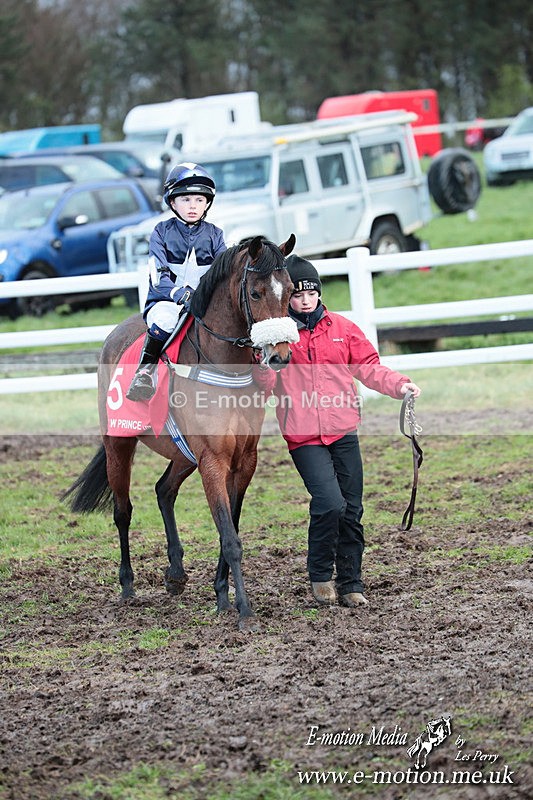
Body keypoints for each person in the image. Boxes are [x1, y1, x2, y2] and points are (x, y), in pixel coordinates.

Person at [254, 255, 421, 608]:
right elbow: (263, 386)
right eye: (297, 295)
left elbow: (370, 368)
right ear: (287, 299)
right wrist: (267, 361)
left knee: (352, 509)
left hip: (343, 430)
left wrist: (400, 386)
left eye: (310, 293)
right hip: (303, 436)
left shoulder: (342, 329)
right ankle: (319, 575)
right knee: (329, 503)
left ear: (318, 293)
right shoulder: (280, 337)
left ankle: (351, 582)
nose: (304, 300)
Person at [127, 162, 226, 401]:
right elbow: (157, 277)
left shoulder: (215, 234)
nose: (193, 206)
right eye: (186, 200)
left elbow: (224, 272)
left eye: (199, 200)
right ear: (172, 202)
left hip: (203, 303)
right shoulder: (161, 232)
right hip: (167, 301)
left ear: (207, 203)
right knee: (164, 319)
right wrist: (179, 294)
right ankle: (144, 372)